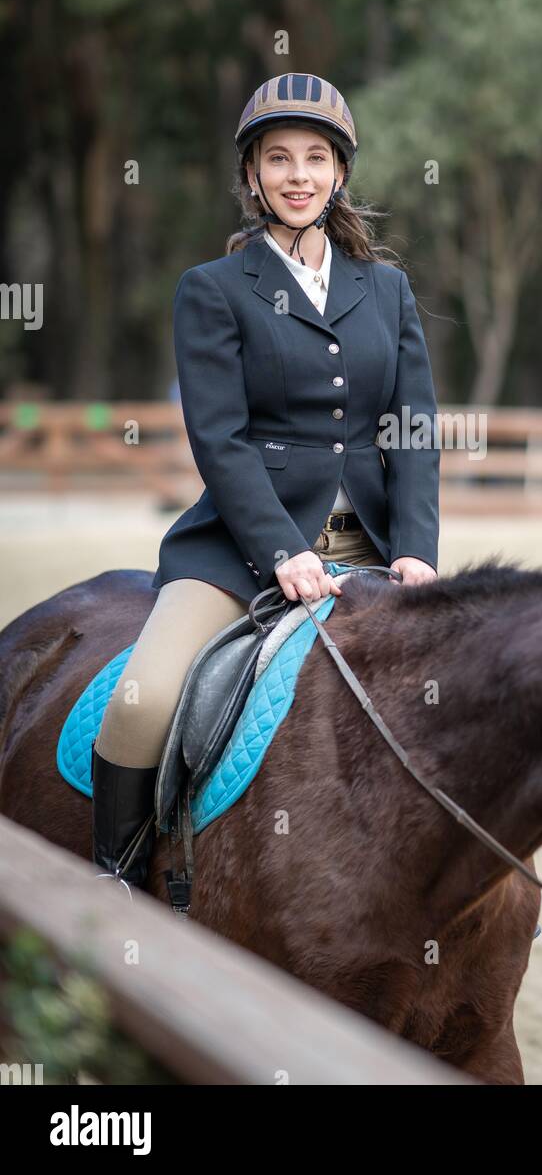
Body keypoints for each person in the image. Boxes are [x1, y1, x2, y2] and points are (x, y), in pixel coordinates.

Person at [91, 73, 440, 887]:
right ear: (252, 176)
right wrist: (282, 549)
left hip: (376, 556)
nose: (297, 174)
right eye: (277, 158)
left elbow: (412, 434)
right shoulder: (212, 290)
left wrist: (418, 550)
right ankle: (116, 887)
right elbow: (221, 439)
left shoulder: (387, 291)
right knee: (141, 703)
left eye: (315, 158)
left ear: (339, 173)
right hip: (243, 555)